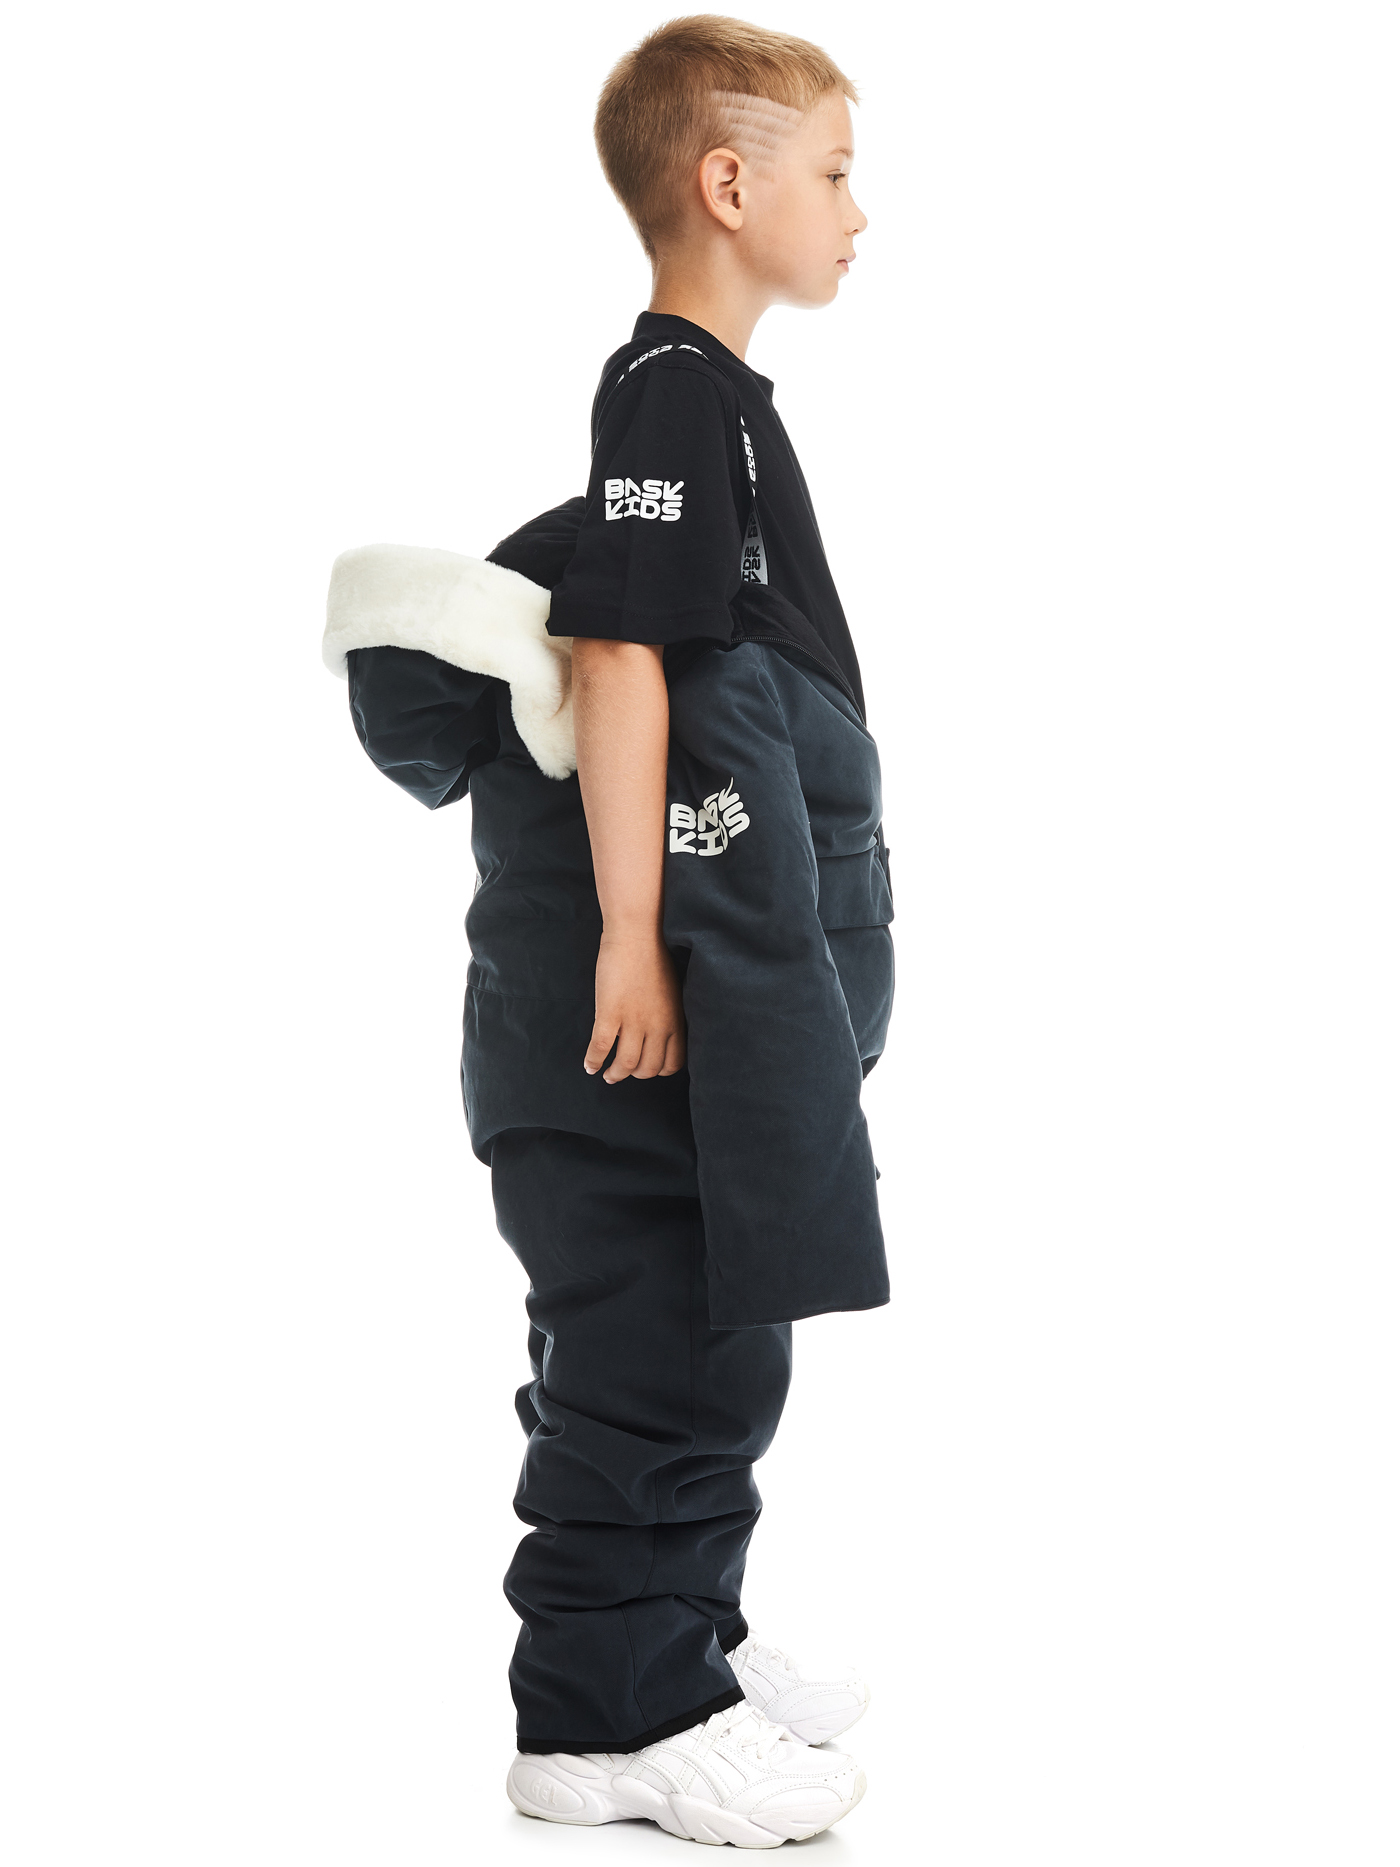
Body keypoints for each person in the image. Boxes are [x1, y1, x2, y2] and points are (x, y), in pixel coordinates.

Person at [322, 15, 892, 1849]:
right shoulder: (669, 393)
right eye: (835, 172)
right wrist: (635, 935)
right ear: (728, 185)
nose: (859, 211)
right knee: (663, 1345)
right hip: (642, 988)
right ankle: (610, 1716)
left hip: (689, 978)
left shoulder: (715, 405)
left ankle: (680, 1636)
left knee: (699, 1328)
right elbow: (625, 655)